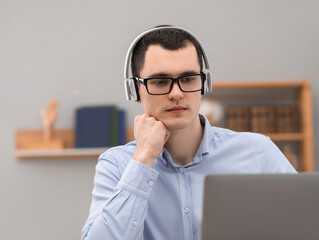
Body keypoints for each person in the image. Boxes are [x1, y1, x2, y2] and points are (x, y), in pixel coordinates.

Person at [81, 25, 296, 240]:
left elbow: (305, 227)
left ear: (204, 84)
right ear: (135, 90)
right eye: (160, 81)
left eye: (188, 79)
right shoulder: (117, 165)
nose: (176, 93)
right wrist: (143, 158)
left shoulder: (259, 152)